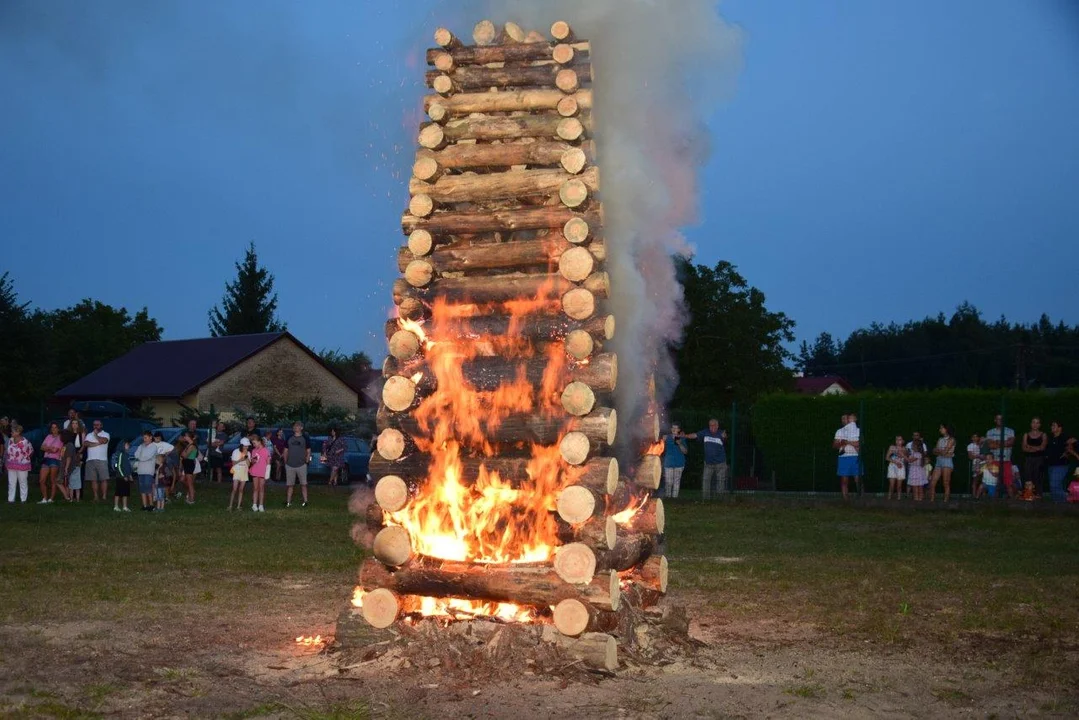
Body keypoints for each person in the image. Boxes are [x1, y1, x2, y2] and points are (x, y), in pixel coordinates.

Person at [684, 419, 728, 499]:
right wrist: (685, 436)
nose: (712, 427)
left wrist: (724, 437)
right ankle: (706, 499)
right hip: (708, 463)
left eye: (714, 425)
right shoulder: (705, 432)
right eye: (710, 425)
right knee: (706, 480)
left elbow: (725, 439)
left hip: (720, 463)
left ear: (717, 426)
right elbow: (695, 435)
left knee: (720, 481)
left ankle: (720, 499)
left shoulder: (721, 433)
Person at [1046, 422, 1077, 503]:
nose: (1051, 427)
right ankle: (1059, 506)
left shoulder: (1064, 437)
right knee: (1056, 486)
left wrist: (1068, 452)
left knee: (1054, 485)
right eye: (1051, 425)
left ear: (1060, 428)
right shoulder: (1051, 437)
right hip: (1051, 465)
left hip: (1061, 465)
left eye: (1054, 425)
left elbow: (1073, 443)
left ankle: (1071, 497)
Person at [833, 413, 861, 500]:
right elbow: (834, 445)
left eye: (846, 418)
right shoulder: (839, 431)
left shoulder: (858, 430)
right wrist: (842, 443)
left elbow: (859, 444)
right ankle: (846, 500)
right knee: (844, 480)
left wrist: (847, 442)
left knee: (858, 479)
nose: (844, 420)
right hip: (843, 457)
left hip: (855, 456)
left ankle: (861, 498)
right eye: (843, 419)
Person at [284, 422, 311, 508]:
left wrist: (306, 460)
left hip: (301, 465)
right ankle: (288, 502)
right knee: (290, 485)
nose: (295, 427)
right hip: (290, 465)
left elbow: (308, 450)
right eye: (294, 426)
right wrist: (285, 462)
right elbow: (285, 450)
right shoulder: (289, 437)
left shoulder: (305, 438)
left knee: (303, 484)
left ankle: (305, 501)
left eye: (297, 426)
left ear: (301, 428)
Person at [83, 420, 110, 502]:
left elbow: (104, 441)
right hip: (90, 460)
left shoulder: (106, 434)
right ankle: (96, 496)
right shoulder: (89, 435)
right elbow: (86, 444)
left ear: (101, 425)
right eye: (94, 425)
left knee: (104, 479)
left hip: (102, 460)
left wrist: (95, 435)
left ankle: (104, 496)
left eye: (97, 425)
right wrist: (97, 443)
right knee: (93, 480)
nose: (95, 426)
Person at [5, 423, 33, 503]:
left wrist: (24, 460)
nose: (11, 433)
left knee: (23, 482)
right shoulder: (10, 440)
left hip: (22, 465)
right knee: (11, 482)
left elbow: (31, 451)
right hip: (11, 464)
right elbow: (8, 451)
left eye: (13, 432)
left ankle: (23, 499)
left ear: (18, 432)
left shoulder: (25, 442)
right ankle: (10, 499)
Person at [660, 423, 688, 499]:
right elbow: (660, 448)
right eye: (672, 428)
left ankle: (674, 499)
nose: (674, 429)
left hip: (679, 463)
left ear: (679, 430)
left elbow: (685, 451)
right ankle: (668, 498)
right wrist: (662, 440)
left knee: (676, 483)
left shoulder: (681, 438)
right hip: (668, 463)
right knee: (668, 482)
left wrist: (680, 444)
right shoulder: (666, 437)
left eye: (676, 428)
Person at [1021, 418, 1048, 497]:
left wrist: (1030, 447)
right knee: (1028, 478)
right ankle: (1028, 496)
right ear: (1031, 424)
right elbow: (1024, 448)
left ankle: (1039, 496)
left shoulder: (1043, 435)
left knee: (1038, 478)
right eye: (1033, 422)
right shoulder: (1026, 434)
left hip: (1039, 460)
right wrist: (1036, 448)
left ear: (1040, 424)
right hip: (1028, 459)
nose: (1035, 424)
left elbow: (1042, 448)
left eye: (1037, 423)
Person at [38, 422, 64, 504]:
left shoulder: (60, 438)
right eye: (52, 427)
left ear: (58, 428)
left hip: (54, 460)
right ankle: (44, 498)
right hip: (46, 459)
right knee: (42, 480)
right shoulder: (48, 436)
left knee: (53, 480)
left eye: (55, 427)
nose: (53, 429)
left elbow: (55, 450)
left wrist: (47, 448)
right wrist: (49, 448)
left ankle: (51, 499)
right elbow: (42, 447)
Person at [929, 424, 956, 503]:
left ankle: (945, 502)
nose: (940, 430)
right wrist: (942, 451)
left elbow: (944, 451)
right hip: (939, 461)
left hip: (947, 462)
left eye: (941, 428)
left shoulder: (952, 439)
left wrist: (940, 451)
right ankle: (931, 501)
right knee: (932, 481)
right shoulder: (940, 439)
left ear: (946, 429)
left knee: (946, 482)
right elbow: (934, 451)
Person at [133, 430, 158, 511]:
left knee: (148, 487)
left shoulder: (154, 446)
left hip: (148, 471)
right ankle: (144, 505)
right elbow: (135, 454)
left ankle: (151, 505)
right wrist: (141, 456)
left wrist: (141, 457)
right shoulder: (141, 446)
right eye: (143, 438)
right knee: (142, 488)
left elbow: (147, 457)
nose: (144, 439)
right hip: (140, 470)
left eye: (146, 437)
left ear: (151, 437)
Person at [111, 439, 134, 512]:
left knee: (125, 492)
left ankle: (125, 506)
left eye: (128, 445)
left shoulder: (127, 455)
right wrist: (123, 476)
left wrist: (130, 475)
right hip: (120, 477)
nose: (128, 446)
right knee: (118, 492)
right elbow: (119, 466)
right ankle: (116, 506)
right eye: (126, 445)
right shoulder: (120, 454)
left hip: (126, 477)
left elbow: (128, 466)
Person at [229, 437, 251, 511]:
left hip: (244, 472)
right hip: (237, 471)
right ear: (241, 445)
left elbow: (248, 464)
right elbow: (233, 463)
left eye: (247, 446)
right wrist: (240, 460)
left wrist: (246, 457)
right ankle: (230, 505)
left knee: (241, 489)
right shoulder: (236, 451)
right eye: (245, 446)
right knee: (234, 489)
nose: (247, 447)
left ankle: (238, 506)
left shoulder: (248, 453)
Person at [249, 434, 270, 512]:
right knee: (255, 488)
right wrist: (253, 461)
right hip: (255, 471)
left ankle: (261, 505)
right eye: (252, 444)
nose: (253, 445)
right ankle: (254, 505)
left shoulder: (265, 450)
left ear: (259, 442)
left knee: (261, 488)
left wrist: (267, 473)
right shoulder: (254, 450)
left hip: (262, 472)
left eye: (254, 443)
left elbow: (268, 462)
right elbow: (252, 460)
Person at [177, 430, 198, 504]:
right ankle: (191, 495)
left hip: (189, 464)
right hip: (186, 464)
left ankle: (191, 499)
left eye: (185, 436)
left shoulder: (192, 446)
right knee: (185, 480)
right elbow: (182, 454)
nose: (184, 437)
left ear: (189, 437)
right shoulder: (188, 445)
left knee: (190, 482)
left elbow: (185, 455)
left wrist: (183, 454)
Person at [60, 429, 82, 502]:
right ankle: (68, 497)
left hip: (69, 467)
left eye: (61, 435)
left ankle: (68, 497)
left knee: (64, 482)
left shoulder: (69, 445)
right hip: (64, 466)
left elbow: (69, 457)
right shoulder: (65, 445)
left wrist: (66, 467)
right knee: (67, 483)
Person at [906, 436, 928, 501]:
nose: (912, 446)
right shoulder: (917, 453)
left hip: (916, 471)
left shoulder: (917, 454)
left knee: (917, 486)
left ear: (917, 447)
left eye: (913, 445)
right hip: (917, 470)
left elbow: (910, 460)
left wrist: (903, 455)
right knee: (917, 486)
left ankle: (918, 499)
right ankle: (917, 499)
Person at [885, 435, 907, 500]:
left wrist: (899, 452)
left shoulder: (905, 449)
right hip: (892, 466)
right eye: (896, 439)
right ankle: (889, 498)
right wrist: (896, 462)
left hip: (901, 467)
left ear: (903, 441)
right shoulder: (891, 447)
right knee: (891, 485)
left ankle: (899, 499)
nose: (898, 441)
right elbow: (887, 458)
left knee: (899, 486)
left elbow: (905, 458)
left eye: (900, 440)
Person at [967, 434, 983, 498]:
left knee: (983, 479)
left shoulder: (981, 444)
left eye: (976, 436)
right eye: (973, 436)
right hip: (976, 463)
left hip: (984, 463)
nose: (975, 438)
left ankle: (982, 495)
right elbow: (970, 456)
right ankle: (974, 495)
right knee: (975, 479)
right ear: (971, 438)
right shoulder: (970, 446)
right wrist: (978, 456)